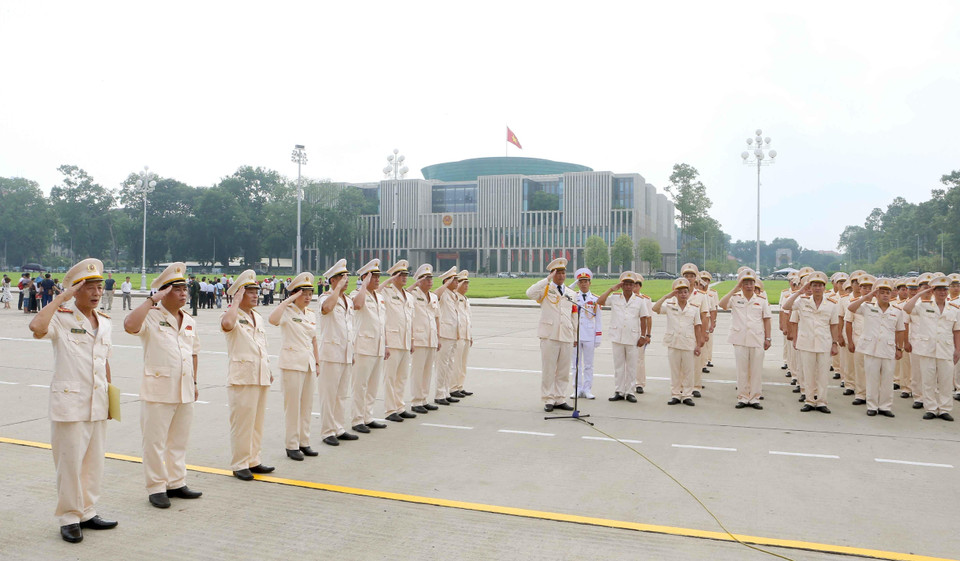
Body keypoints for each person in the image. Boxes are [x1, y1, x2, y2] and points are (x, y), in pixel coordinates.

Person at [28, 258, 117, 543]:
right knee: (69, 463)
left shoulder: (104, 322)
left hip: (98, 401)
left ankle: (87, 511)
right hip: (69, 403)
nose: (96, 292)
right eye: (89, 286)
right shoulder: (61, 318)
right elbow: (36, 326)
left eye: (99, 286)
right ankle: (69, 517)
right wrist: (61, 298)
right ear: (76, 290)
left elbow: (104, 362)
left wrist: (111, 398)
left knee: (94, 462)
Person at [123, 262, 203, 508]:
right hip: (158, 390)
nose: (183, 294)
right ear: (164, 292)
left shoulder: (188, 320)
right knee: (155, 442)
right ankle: (157, 487)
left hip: (184, 388)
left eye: (184, 289)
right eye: (177, 289)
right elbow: (129, 325)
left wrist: (195, 381)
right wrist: (151, 301)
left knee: (178, 440)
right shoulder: (151, 317)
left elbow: (194, 353)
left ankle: (176, 482)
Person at [221, 270, 275, 480]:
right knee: (242, 423)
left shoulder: (257, 317)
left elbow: (261, 346)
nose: (255, 295)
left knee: (256, 422)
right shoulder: (231, 315)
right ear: (238, 295)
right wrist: (234, 302)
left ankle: (253, 460)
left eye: (256, 291)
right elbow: (227, 325)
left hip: (259, 375)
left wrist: (267, 369)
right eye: (249, 292)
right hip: (242, 377)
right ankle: (239, 463)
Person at [268, 272, 320, 461]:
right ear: (295, 294)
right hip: (292, 364)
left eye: (309, 293)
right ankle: (291, 445)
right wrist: (287, 301)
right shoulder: (287, 312)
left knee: (306, 406)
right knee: (293, 407)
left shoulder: (311, 314)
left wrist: (317, 361)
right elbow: (272, 320)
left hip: (308, 364)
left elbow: (314, 339)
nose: (307, 297)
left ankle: (304, 442)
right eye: (303, 293)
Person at [902, 275, 959, 421]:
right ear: (933, 291)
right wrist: (921, 293)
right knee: (928, 380)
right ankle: (931, 409)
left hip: (946, 349)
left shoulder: (954, 309)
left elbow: (957, 331)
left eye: (944, 290)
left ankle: (945, 409)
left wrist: (958, 349)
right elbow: (907, 308)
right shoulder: (923, 306)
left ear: (947, 292)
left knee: (946, 381)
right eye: (938, 290)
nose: (942, 292)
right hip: (927, 349)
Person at [783, 271, 842, 414]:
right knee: (807, 373)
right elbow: (786, 306)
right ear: (810, 287)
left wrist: (835, 343)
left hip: (824, 342)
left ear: (824, 287)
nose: (817, 288)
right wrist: (800, 292)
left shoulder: (832, 304)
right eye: (814, 285)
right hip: (806, 342)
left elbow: (834, 324)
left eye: (820, 285)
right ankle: (809, 400)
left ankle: (821, 401)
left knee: (822, 374)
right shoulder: (802, 301)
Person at [847, 278, 905, 417]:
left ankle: (885, 406)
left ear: (891, 295)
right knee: (871, 378)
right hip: (871, 348)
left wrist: (899, 348)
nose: (885, 295)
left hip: (888, 348)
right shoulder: (867, 307)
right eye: (882, 292)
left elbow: (900, 330)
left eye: (887, 292)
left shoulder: (897, 311)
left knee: (887, 379)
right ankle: (872, 405)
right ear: (876, 294)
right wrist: (866, 297)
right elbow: (851, 308)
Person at [526, 258, 576, 412]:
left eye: (563, 273)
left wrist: (575, 335)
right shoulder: (545, 289)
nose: (561, 276)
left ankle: (560, 398)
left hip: (566, 334)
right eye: (557, 273)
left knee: (563, 370)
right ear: (552, 274)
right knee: (549, 369)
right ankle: (548, 398)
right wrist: (546, 280)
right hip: (549, 335)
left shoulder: (571, 293)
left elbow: (574, 316)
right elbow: (529, 293)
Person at [317, 259, 358, 446]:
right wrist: (336, 290)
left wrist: (353, 352)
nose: (345, 280)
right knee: (329, 394)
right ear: (332, 280)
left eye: (346, 277)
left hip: (346, 353)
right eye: (341, 277)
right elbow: (326, 309)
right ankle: (327, 431)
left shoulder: (348, 300)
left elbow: (349, 329)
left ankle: (339, 427)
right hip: (331, 353)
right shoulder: (325, 297)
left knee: (342, 394)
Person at [350, 259, 395, 429]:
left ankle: (367, 417)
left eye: (378, 277)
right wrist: (363, 285)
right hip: (363, 347)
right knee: (360, 385)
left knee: (372, 386)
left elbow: (382, 323)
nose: (377, 280)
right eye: (374, 277)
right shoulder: (357, 293)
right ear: (365, 278)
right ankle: (357, 419)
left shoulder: (379, 297)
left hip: (377, 346)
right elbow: (357, 305)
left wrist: (386, 345)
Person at [719, 268, 771, 409]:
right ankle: (742, 397)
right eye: (745, 283)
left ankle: (754, 398)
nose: (749, 285)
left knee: (756, 370)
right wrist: (735, 288)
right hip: (740, 338)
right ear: (741, 284)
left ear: (755, 284)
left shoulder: (761, 300)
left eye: (751, 283)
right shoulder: (735, 298)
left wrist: (768, 338)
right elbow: (722, 304)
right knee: (741, 370)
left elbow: (767, 319)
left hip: (757, 338)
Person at [597, 271, 649, 403]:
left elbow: (644, 318)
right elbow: (600, 301)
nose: (628, 287)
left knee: (631, 366)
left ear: (634, 285)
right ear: (621, 285)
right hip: (617, 336)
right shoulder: (614, 297)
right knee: (619, 366)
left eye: (630, 284)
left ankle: (630, 391)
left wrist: (643, 335)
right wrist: (610, 289)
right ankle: (619, 391)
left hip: (633, 337)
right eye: (625, 284)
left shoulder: (639, 300)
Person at [652, 278, 703, 406]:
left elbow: (697, 326)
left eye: (685, 292)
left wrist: (698, 345)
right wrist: (666, 297)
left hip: (688, 343)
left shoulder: (694, 308)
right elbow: (655, 308)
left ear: (688, 293)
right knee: (675, 370)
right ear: (676, 293)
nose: (683, 294)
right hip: (673, 342)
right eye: (680, 292)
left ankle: (687, 395)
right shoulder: (670, 306)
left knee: (688, 371)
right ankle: (675, 394)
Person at [379, 260, 417, 418]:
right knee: (390, 377)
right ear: (393, 276)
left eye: (406, 275)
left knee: (401, 377)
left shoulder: (408, 296)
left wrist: (412, 340)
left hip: (405, 341)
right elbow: (375, 291)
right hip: (392, 340)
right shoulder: (387, 292)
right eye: (400, 275)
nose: (404, 277)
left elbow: (411, 320)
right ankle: (390, 410)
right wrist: (388, 280)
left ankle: (399, 407)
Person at [409, 264, 442, 412]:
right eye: (426, 279)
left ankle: (424, 399)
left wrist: (438, 338)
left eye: (431, 279)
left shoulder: (434, 297)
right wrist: (415, 284)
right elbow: (405, 294)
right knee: (418, 371)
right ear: (419, 281)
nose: (430, 282)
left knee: (428, 371)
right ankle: (416, 401)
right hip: (419, 338)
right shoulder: (413, 294)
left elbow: (437, 318)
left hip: (431, 338)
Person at [568, 268, 601, 400]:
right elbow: (564, 291)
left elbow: (598, 319)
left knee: (588, 365)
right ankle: (576, 389)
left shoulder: (595, 299)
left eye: (585, 281)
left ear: (590, 283)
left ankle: (587, 389)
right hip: (575, 336)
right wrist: (573, 285)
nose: (583, 284)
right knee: (575, 364)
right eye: (580, 281)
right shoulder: (573, 297)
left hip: (589, 335)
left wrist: (598, 337)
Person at [678, 264, 710, 397]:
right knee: (681, 361)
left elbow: (705, 316)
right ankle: (681, 386)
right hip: (681, 332)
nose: (689, 278)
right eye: (686, 276)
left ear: (696, 278)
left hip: (695, 332)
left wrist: (703, 335)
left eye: (691, 276)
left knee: (696, 361)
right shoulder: (677, 294)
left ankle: (696, 386)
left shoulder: (701, 296)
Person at [433, 267, 463, 406]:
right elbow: (434, 295)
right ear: (447, 281)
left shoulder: (453, 295)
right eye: (454, 280)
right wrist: (445, 284)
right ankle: (439, 394)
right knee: (442, 365)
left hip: (453, 334)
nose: (457, 282)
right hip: (445, 335)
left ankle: (445, 392)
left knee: (450, 365)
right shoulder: (443, 293)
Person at [845, 274, 875, 406]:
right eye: (864, 287)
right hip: (859, 341)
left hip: (875, 343)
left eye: (870, 288)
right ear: (860, 289)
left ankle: (873, 395)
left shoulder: (881, 303)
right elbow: (848, 322)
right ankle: (861, 394)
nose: (867, 290)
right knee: (860, 368)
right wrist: (850, 341)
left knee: (874, 370)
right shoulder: (856, 304)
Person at [451, 270, 474, 398]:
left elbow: (468, 318)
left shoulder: (465, 299)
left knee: (463, 363)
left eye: (467, 283)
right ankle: (453, 387)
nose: (466, 286)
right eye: (463, 283)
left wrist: (470, 336)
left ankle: (460, 386)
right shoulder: (454, 297)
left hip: (465, 335)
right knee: (456, 363)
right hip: (458, 335)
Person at [632, 276, 653, 395]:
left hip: (641, 333)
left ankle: (639, 383)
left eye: (636, 285)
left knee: (639, 359)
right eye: (632, 285)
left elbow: (649, 318)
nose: (634, 287)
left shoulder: (645, 299)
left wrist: (648, 335)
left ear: (640, 286)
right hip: (629, 332)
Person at [699, 271, 720, 374]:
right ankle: (702, 363)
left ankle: (708, 359)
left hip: (707, 320)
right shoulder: (697, 293)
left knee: (708, 342)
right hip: (698, 321)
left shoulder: (712, 293)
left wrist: (713, 321)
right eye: (703, 279)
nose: (704, 282)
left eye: (706, 280)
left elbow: (714, 308)